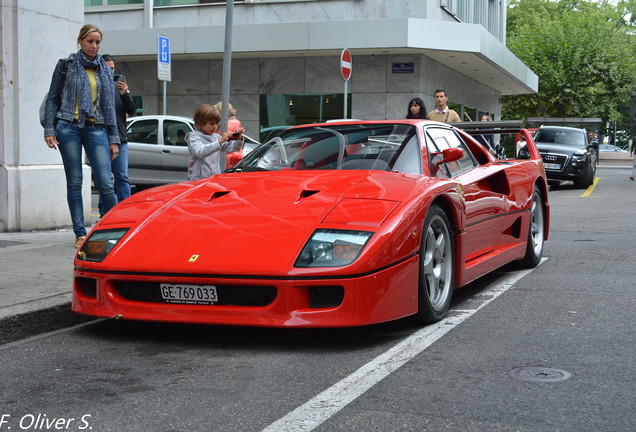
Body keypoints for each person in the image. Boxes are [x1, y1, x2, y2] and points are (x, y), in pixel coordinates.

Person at [43, 24, 120, 248]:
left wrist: (113, 139)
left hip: (96, 128)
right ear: (80, 41)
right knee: (75, 182)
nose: (94, 46)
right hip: (68, 127)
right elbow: (52, 99)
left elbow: (109, 108)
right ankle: (79, 233)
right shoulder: (66, 65)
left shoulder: (104, 70)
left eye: (97, 42)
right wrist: (49, 129)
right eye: (90, 42)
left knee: (106, 182)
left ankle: (113, 228)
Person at [99, 54, 137, 216]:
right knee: (104, 179)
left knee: (122, 177)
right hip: (99, 141)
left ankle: (124, 212)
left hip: (120, 140)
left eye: (112, 69)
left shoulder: (120, 89)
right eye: (107, 68)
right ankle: (104, 213)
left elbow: (132, 110)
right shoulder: (96, 88)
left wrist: (125, 93)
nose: (110, 72)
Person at [186, 104, 244, 180]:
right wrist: (219, 142)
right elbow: (201, 152)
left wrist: (239, 138)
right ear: (200, 123)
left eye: (217, 124)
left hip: (214, 179)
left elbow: (233, 148)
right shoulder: (194, 138)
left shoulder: (215, 137)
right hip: (198, 180)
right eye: (211, 124)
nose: (215, 126)